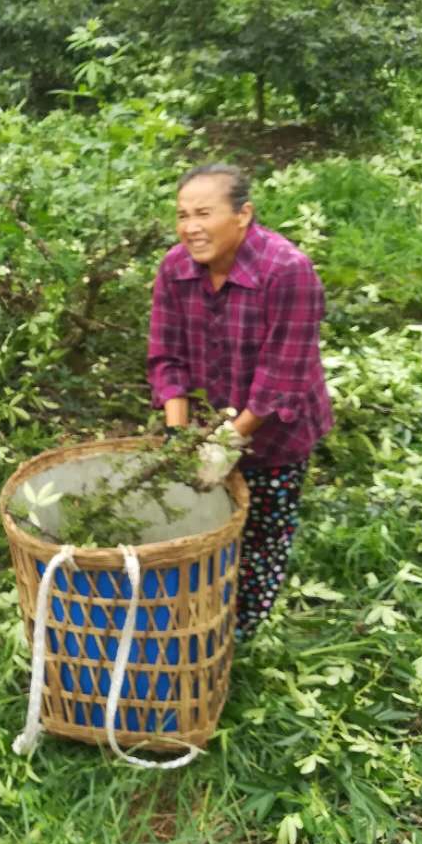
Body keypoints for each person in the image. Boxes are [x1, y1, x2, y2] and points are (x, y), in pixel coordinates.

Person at [147, 164, 333, 639]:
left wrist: (229, 440)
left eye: (204, 213)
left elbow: (281, 377)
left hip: (277, 432)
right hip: (212, 419)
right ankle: (193, 618)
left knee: (262, 537)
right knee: (197, 526)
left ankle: (238, 635)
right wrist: (177, 437)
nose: (191, 227)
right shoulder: (175, 268)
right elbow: (167, 357)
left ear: (243, 214)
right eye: (183, 215)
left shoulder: (288, 271)